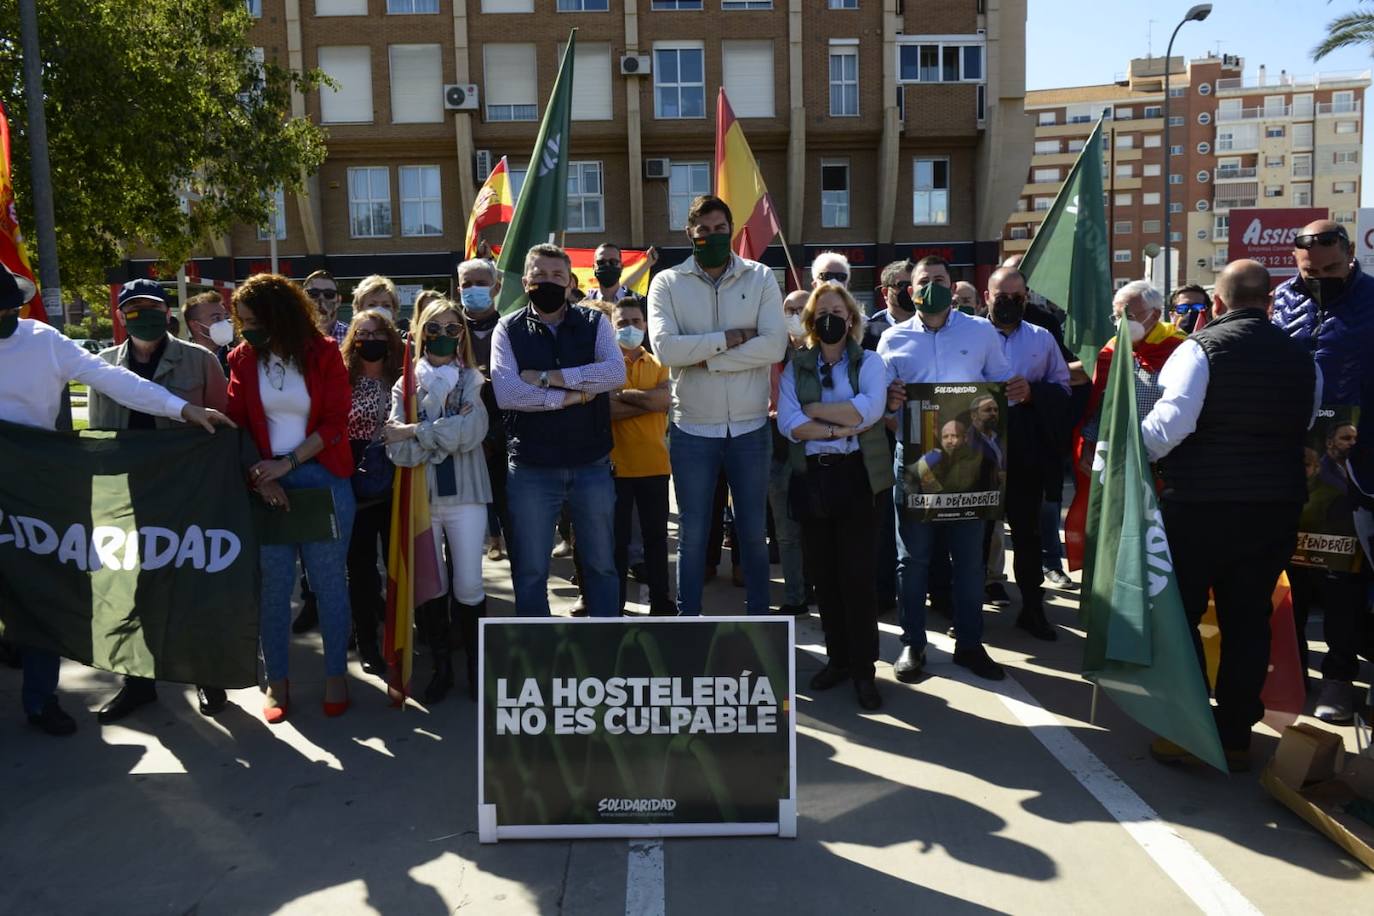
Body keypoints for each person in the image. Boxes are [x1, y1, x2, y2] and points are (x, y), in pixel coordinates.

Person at [0, 266, 233, 736]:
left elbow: (117, 382)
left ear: (15, 307)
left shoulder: (45, 342)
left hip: (36, 486)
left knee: (39, 587)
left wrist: (182, 409)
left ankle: (41, 700)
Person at [1143, 260, 1318, 771]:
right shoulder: (1302, 357)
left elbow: (1169, 425)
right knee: (1248, 618)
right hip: (1274, 508)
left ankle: (1186, 728)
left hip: (1201, 505)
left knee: (1181, 616)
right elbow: (1304, 422)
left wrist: (1124, 452)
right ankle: (1236, 731)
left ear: (1215, 304)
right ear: (1269, 301)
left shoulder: (1198, 349)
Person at [89, 279, 233, 723]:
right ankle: (139, 682)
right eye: (133, 310)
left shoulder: (200, 361)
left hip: (188, 495)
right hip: (131, 497)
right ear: (119, 317)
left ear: (168, 313)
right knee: (135, 589)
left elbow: (221, 429)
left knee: (193, 584)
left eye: (152, 308)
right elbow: (99, 433)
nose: (143, 317)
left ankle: (206, 675)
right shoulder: (104, 368)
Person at [226, 273, 356, 723]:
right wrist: (262, 478)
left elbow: (337, 421)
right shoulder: (241, 359)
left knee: (328, 583)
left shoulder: (323, 354)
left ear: (279, 315)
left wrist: (290, 464)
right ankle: (276, 680)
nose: (246, 329)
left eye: (253, 320)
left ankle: (336, 674)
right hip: (267, 485)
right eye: (241, 322)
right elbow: (237, 425)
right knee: (274, 587)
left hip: (322, 479)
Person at [648, 195, 786, 616]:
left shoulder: (759, 276)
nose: (712, 236)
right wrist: (730, 338)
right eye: (703, 230)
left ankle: (759, 619)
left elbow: (774, 344)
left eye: (720, 228)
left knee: (752, 531)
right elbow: (665, 350)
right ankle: (689, 619)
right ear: (690, 234)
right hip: (692, 429)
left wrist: (705, 357)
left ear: (732, 230)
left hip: (750, 427)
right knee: (693, 533)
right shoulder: (667, 283)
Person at [879, 277, 1012, 682]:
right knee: (912, 560)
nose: (931, 288)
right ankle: (913, 644)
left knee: (970, 561)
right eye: (923, 282)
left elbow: (1000, 386)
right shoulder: (891, 339)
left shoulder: (981, 331)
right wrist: (890, 403)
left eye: (939, 280)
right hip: (918, 463)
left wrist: (1009, 394)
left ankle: (970, 645)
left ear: (951, 291)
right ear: (910, 291)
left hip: (970, 467)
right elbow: (877, 406)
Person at [1273, 219, 1374, 722]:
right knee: (1291, 569)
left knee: (1343, 574)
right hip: (1292, 456)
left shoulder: (1372, 299)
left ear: (1350, 255)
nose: (1321, 277)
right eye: (1311, 269)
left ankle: (1338, 674)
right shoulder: (1283, 300)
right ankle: (1294, 670)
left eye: (1332, 268)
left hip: (1354, 460)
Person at [492, 243, 626, 616]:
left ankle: (607, 645)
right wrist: (571, 397)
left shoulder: (595, 322)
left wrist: (551, 378)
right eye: (539, 275)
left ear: (570, 282)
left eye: (556, 276)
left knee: (601, 564)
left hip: (591, 463)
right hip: (533, 467)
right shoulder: (508, 328)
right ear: (525, 280)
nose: (547, 282)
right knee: (531, 570)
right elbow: (508, 393)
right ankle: (537, 651)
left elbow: (615, 373)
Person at [777, 283, 891, 710]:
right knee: (824, 577)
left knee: (857, 579)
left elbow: (871, 409)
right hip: (814, 479)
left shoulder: (871, 361)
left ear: (851, 318)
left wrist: (815, 410)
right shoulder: (796, 367)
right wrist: (837, 427)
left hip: (859, 478)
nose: (830, 318)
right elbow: (789, 422)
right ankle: (837, 659)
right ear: (810, 320)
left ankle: (865, 669)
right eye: (821, 310)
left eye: (837, 311)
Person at [385, 298, 491, 701]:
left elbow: (473, 432)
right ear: (419, 331)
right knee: (433, 586)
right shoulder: (405, 384)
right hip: (422, 498)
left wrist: (417, 432)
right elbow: (396, 449)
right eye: (435, 328)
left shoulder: (473, 381)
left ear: (460, 334)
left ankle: (476, 671)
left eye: (451, 329)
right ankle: (441, 669)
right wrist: (435, 433)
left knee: (468, 583)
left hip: (466, 495)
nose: (443, 336)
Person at [985, 267, 1071, 641]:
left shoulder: (1042, 337)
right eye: (1001, 296)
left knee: (1027, 532)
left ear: (1027, 298)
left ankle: (1033, 609)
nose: (1008, 303)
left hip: (1024, 443)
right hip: (978, 442)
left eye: (1016, 297)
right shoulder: (968, 335)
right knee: (975, 533)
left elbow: (1064, 388)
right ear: (987, 296)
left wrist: (1033, 392)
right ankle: (968, 613)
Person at [340, 308, 405, 677]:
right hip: (353, 480)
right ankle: (366, 640)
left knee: (399, 563)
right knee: (360, 568)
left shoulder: (402, 376)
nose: (370, 340)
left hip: (397, 478)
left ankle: (404, 638)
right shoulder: (341, 377)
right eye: (362, 333)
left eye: (378, 333)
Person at [608, 297, 674, 616]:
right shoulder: (604, 365)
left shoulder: (661, 362)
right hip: (615, 469)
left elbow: (665, 401)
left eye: (635, 321)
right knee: (616, 546)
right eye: (622, 323)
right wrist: (646, 401)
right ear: (611, 327)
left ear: (645, 325)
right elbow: (604, 409)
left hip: (655, 466)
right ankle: (615, 606)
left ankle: (662, 603)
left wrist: (624, 397)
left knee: (657, 542)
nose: (630, 328)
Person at [862, 260, 915, 613]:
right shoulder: (868, 331)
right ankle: (883, 593)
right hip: (880, 441)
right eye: (903, 285)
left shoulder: (933, 327)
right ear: (887, 291)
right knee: (881, 524)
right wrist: (886, 417)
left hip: (928, 441)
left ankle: (931, 592)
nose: (912, 291)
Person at [457, 258, 510, 562]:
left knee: (503, 494)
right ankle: (491, 538)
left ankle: (502, 536)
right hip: (461, 433)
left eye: (481, 283)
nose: (474, 290)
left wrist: (493, 437)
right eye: (467, 284)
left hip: (504, 430)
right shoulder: (449, 330)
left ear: (496, 287)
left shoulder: (511, 329)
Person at [768, 290, 811, 616]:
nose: (795, 314)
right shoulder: (770, 351)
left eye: (801, 309)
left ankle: (824, 592)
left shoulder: (827, 349)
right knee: (787, 533)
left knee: (821, 531)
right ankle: (795, 597)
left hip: (819, 451)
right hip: (777, 452)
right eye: (789, 309)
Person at [585, 242, 658, 304]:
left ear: (621, 267)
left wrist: (647, 264)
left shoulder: (639, 303)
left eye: (613, 262)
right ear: (594, 268)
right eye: (601, 262)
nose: (607, 265)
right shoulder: (584, 306)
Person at [183, 290, 234, 376]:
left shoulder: (237, 358)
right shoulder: (182, 362)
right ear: (195, 325)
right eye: (217, 318)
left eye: (225, 316)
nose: (224, 322)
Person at [303, 269, 348, 346]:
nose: (321, 299)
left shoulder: (350, 336)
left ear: (338, 301)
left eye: (329, 294)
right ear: (303, 297)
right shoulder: (294, 334)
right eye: (313, 293)